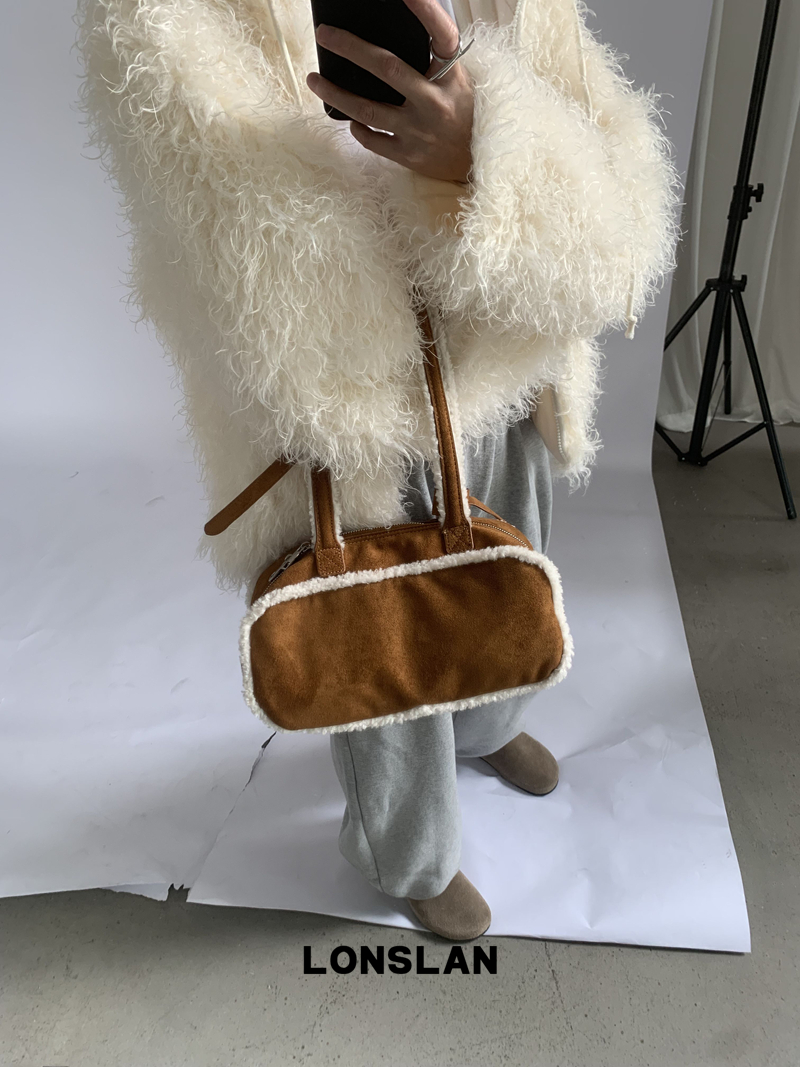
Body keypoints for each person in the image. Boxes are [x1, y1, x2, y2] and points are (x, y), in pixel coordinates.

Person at [81, 0, 678, 940]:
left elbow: (616, 176)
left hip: (512, 332)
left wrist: (489, 158)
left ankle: (483, 723)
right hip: (353, 375)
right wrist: (434, 176)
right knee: (376, 624)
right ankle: (409, 851)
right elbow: (217, 200)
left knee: (508, 561)